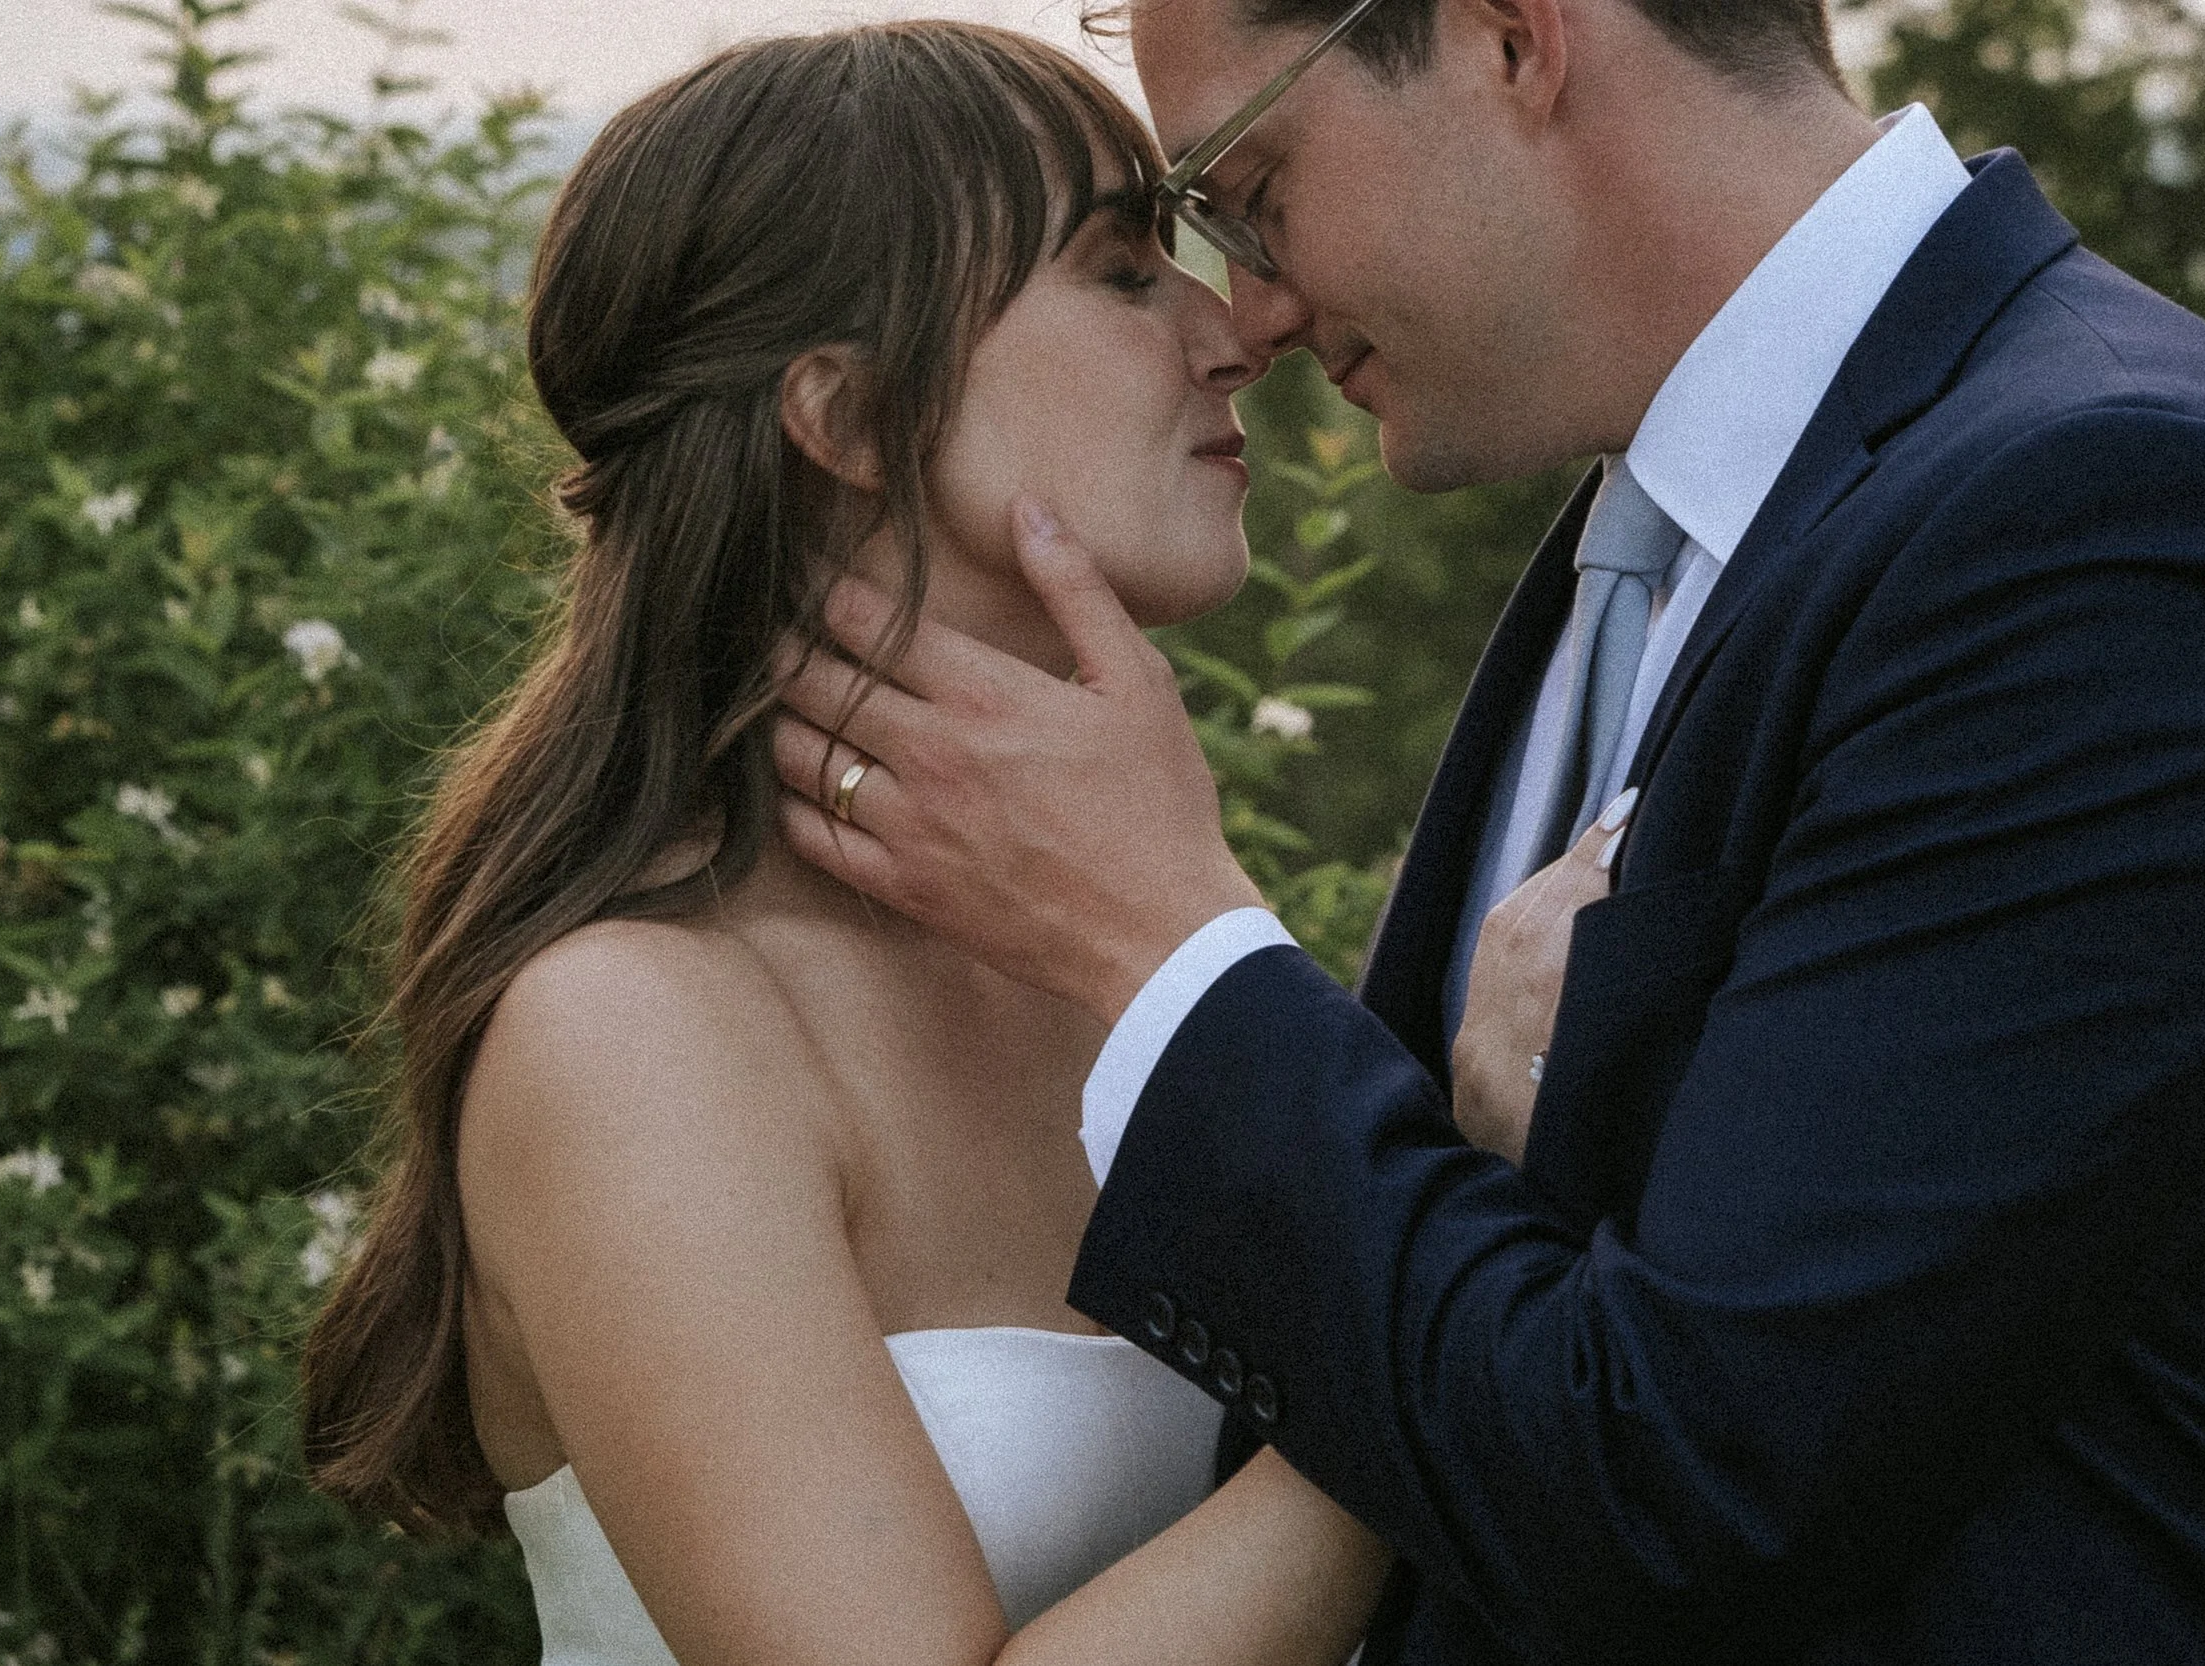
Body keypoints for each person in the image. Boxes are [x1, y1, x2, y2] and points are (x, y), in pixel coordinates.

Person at [766, 0, 2205, 1659]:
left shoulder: (2122, 528)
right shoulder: (1664, 530)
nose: (1257, 309)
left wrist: (1168, 943)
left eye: (1250, 190)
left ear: (1512, 38)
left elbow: (1690, 1488)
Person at [298, 25, 1397, 1664]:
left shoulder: (1143, 963)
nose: (1229, 331)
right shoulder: (634, 1030)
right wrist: (1439, 1381)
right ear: (851, 416)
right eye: (1115, 269)